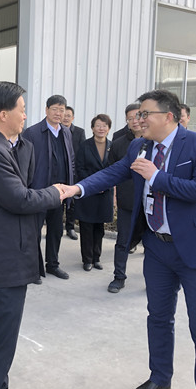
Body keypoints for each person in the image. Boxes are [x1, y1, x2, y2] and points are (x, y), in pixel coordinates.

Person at [60, 90, 196, 389]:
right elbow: (113, 173)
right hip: (157, 248)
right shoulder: (139, 146)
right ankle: (160, 379)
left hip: (195, 248)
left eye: (145, 114)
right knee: (158, 318)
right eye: (138, 114)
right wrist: (77, 189)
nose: (139, 119)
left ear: (169, 116)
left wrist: (156, 176)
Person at [0, 82, 63, 389]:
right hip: (4, 259)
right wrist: (56, 193)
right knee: (0, 341)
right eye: (21, 110)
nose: (25, 116)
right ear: (3, 114)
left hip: (9, 254)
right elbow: (19, 199)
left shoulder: (5, 146)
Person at [22, 95, 75, 280]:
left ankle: (53, 264)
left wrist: (71, 186)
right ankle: (34, 269)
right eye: (55, 109)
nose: (58, 113)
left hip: (59, 193)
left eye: (62, 110)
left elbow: (71, 160)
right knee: (34, 231)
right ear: (46, 110)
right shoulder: (32, 132)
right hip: (38, 191)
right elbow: (24, 162)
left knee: (56, 230)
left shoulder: (66, 132)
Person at [107, 103, 143, 293]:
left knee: (152, 245)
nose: (134, 121)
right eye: (130, 118)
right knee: (123, 242)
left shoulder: (155, 141)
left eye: (137, 116)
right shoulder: (119, 143)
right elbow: (111, 170)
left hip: (150, 203)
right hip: (127, 201)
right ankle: (119, 277)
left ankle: (153, 279)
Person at [74, 114, 113, 271]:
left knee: (99, 228)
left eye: (104, 126)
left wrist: (105, 184)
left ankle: (97, 258)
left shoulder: (112, 147)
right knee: (87, 227)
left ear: (108, 129)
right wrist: (94, 184)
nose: (101, 128)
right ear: (92, 128)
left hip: (105, 193)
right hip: (89, 192)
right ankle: (87, 260)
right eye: (98, 125)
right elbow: (80, 168)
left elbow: (115, 169)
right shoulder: (85, 146)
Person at [62, 105, 86, 240]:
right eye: (64, 115)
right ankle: (56, 227)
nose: (66, 118)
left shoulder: (79, 132)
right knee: (58, 201)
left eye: (68, 116)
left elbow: (82, 153)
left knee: (71, 203)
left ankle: (70, 227)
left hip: (74, 172)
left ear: (73, 118)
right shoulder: (57, 131)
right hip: (60, 172)